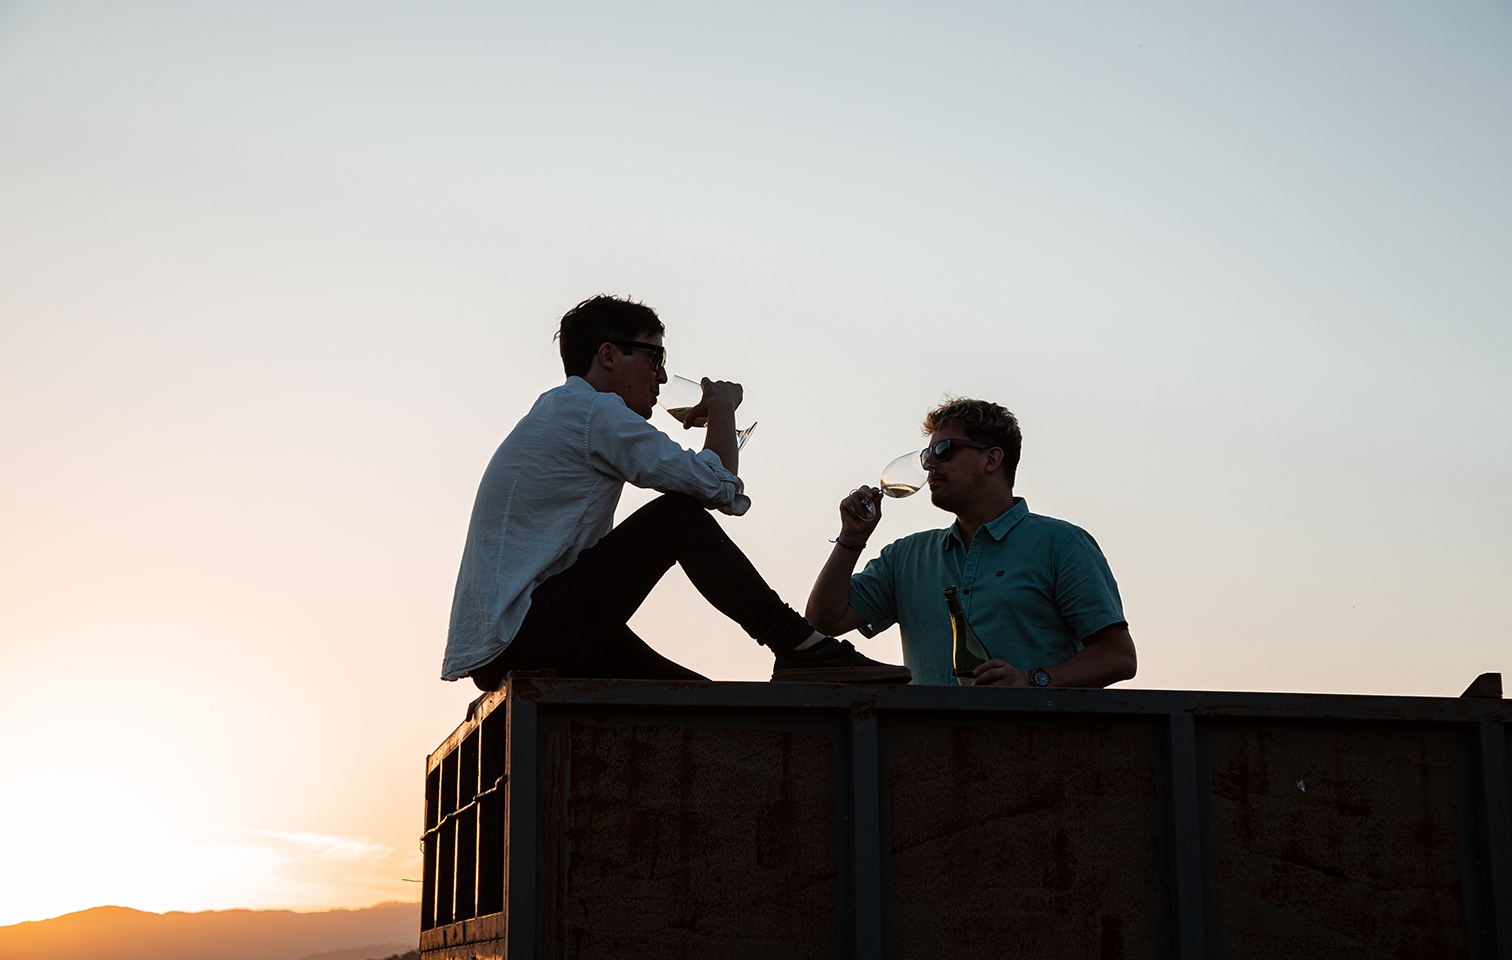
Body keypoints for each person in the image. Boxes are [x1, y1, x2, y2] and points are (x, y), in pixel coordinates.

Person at [442, 295, 911, 689]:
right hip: (527, 629)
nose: (662, 378)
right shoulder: (594, 412)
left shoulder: (560, 411)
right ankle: (800, 646)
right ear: (608, 356)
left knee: (695, 701)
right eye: (655, 358)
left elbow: (711, 480)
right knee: (674, 518)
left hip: (511, 639)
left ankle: (798, 652)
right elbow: (720, 489)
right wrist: (723, 408)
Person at [806, 397, 1136, 687]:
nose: (929, 464)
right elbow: (825, 622)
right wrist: (851, 538)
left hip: (1035, 752)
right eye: (927, 454)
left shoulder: (1062, 545)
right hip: (927, 755)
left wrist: (1031, 679)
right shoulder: (905, 558)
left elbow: (1118, 657)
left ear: (991, 459)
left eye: (943, 451)